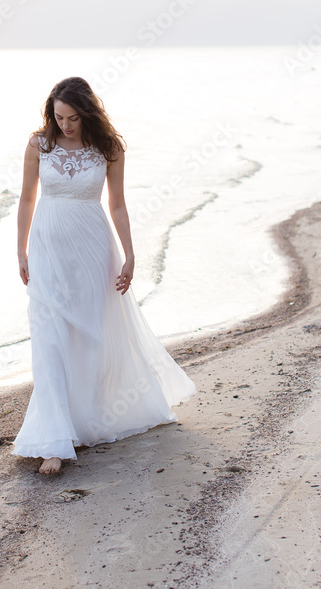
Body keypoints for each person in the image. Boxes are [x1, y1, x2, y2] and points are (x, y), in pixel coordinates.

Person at [12, 76, 196, 475]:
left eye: (74, 118)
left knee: (89, 337)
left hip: (93, 250)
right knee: (48, 340)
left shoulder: (108, 148)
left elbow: (117, 205)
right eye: (59, 117)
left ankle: (87, 419)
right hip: (47, 252)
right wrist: (21, 251)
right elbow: (27, 198)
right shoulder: (38, 144)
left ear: (88, 113)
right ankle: (55, 442)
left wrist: (130, 254)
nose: (66, 125)